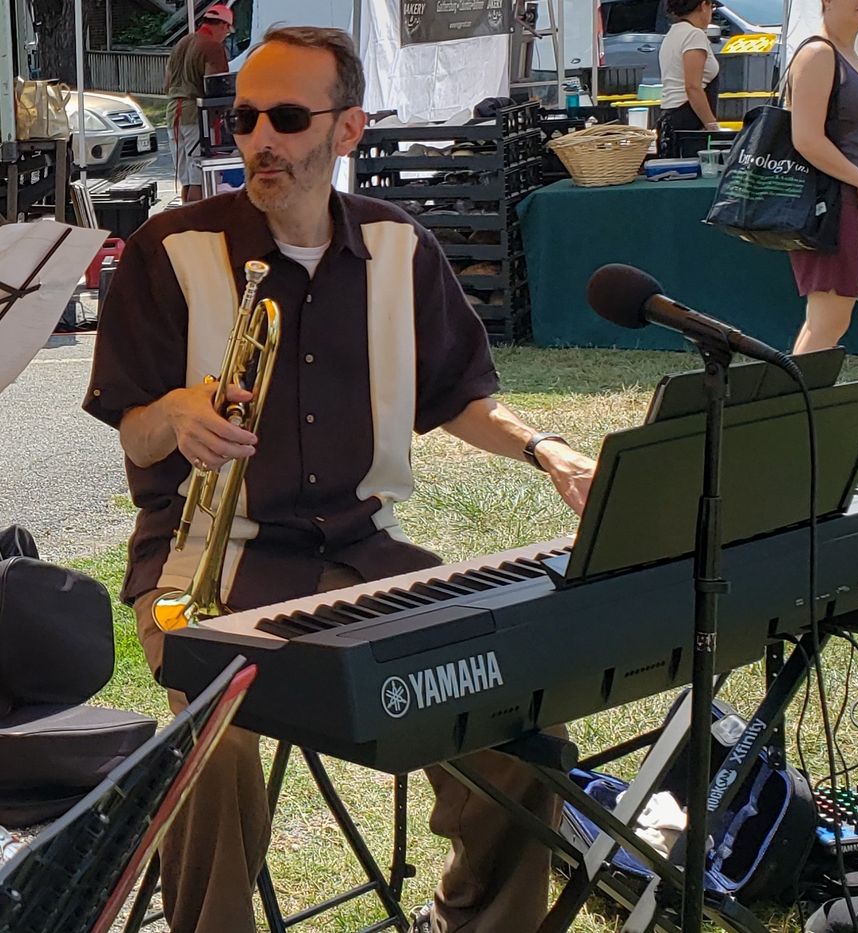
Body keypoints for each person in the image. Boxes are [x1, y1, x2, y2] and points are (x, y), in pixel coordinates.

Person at [83, 26, 595, 933]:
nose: (258, 140)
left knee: (521, 728)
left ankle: (477, 919)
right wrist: (177, 411)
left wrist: (544, 446)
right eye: (242, 117)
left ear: (349, 128)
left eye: (285, 117)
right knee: (215, 746)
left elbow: (459, 397)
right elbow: (134, 423)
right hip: (203, 562)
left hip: (365, 555)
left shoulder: (401, 248)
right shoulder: (170, 249)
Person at [786, 0, 858, 355]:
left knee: (827, 321)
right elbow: (806, 138)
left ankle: (796, 406)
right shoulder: (817, 53)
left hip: (846, 201)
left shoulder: (847, 52)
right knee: (828, 319)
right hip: (829, 202)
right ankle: (796, 407)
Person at [165, 4, 234, 203]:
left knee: (186, 179)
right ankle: (198, 224)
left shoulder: (181, 43)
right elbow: (216, 87)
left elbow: (167, 84)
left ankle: (187, 223)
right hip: (196, 116)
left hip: (173, 114)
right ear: (222, 25)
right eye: (227, 30)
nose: (226, 35)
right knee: (199, 179)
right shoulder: (213, 47)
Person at [657, 0, 721, 157]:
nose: (711, 13)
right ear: (702, 5)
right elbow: (693, 86)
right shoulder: (694, 35)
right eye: (711, 6)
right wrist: (711, 125)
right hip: (689, 120)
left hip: (671, 116)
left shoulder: (673, 33)